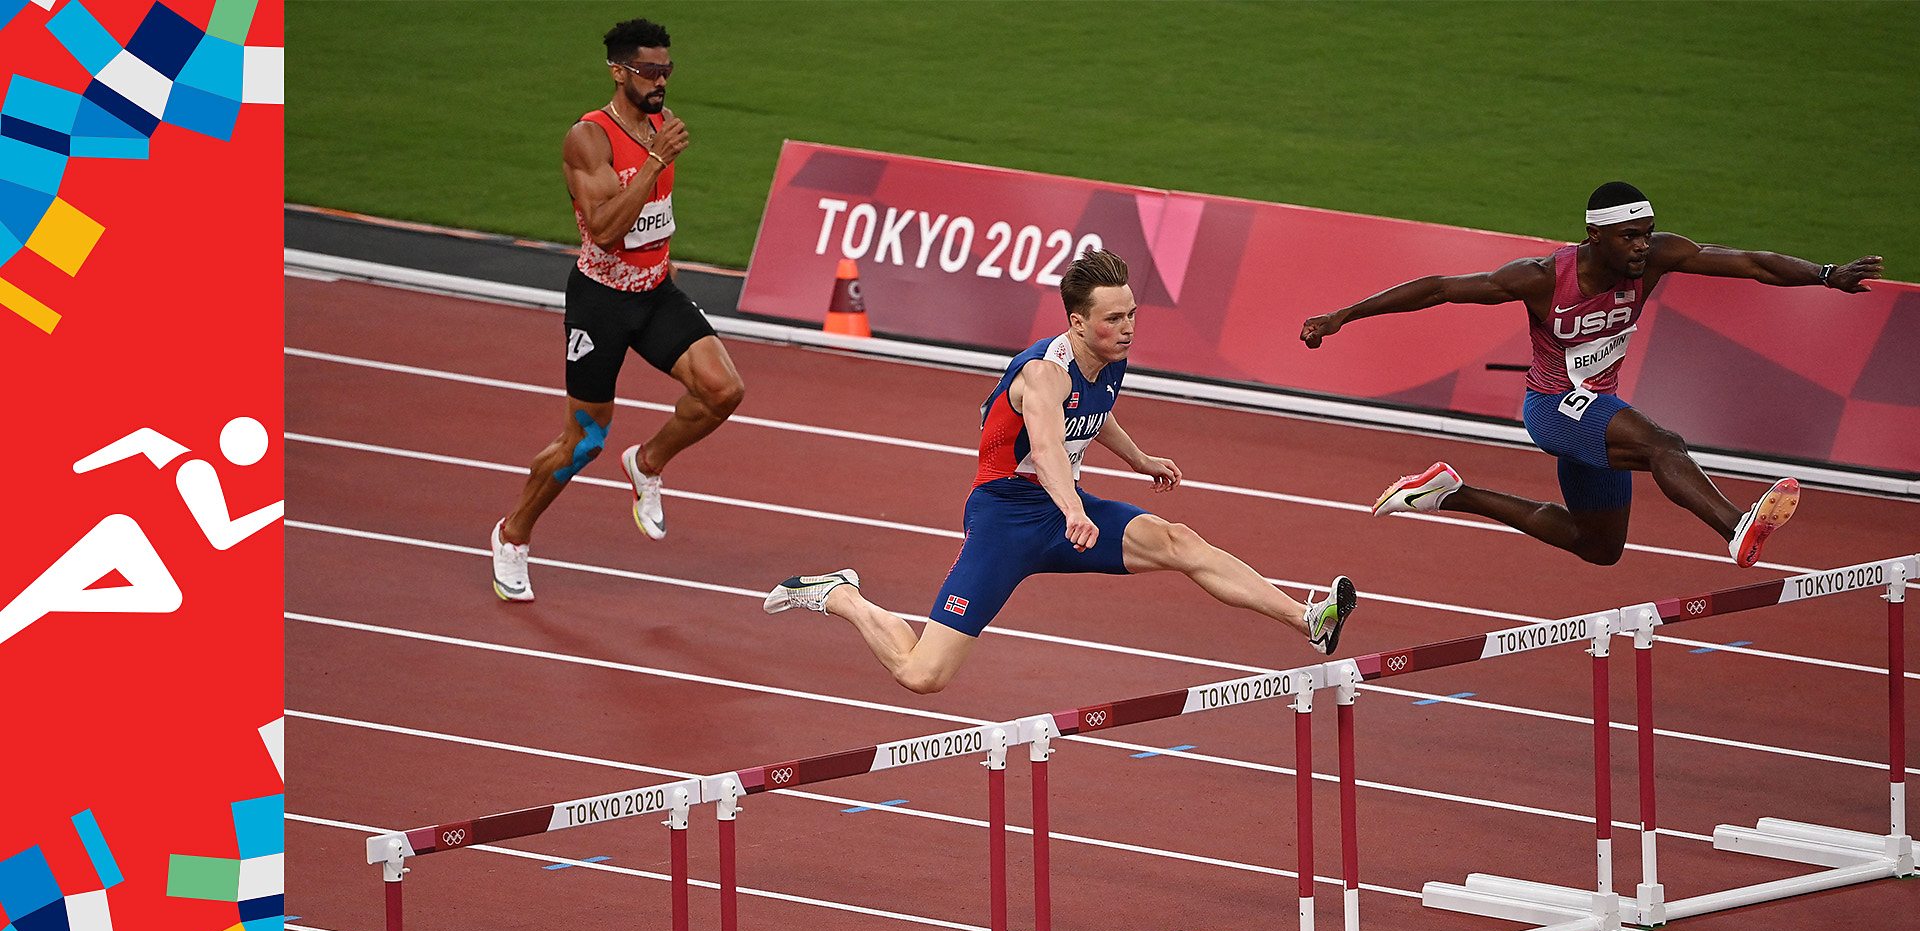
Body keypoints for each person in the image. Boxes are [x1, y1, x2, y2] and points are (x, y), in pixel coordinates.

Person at [764, 250, 1358, 694]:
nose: (1127, 328)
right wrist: (1073, 510)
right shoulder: (1043, 375)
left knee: (1178, 540)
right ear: (1077, 322)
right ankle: (841, 595)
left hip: (1062, 508)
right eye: (1113, 318)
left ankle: (1308, 621)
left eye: (1131, 314)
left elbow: (1095, 417)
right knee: (924, 676)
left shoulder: (1108, 357)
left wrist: (1140, 460)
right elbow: (1048, 448)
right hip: (1007, 516)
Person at [1300, 181, 1882, 568]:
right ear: (1594, 236)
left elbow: (1750, 263)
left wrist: (1826, 274)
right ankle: (1737, 529)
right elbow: (1440, 289)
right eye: (1630, 236)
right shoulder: (1538, 278)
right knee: (1665, 445)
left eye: (1647, 233)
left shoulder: (1655, 259)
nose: (1642, 247)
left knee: (1599, 546)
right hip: (1554, 409)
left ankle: (1451, 494)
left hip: (1597, 405)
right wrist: (1343, 315)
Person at [490, 17, 746, 601]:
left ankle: (649, 463)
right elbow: (604, 231)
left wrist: (663, 256)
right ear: (618, 71)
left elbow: (655, 214)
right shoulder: (590, 137)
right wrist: (654, 160)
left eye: (667, 69)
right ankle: (512, 536)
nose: (660, 81)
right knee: (583, 441)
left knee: (723, 391)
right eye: (649, 70)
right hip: (600, 303)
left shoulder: (662, 124)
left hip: (654, 291)